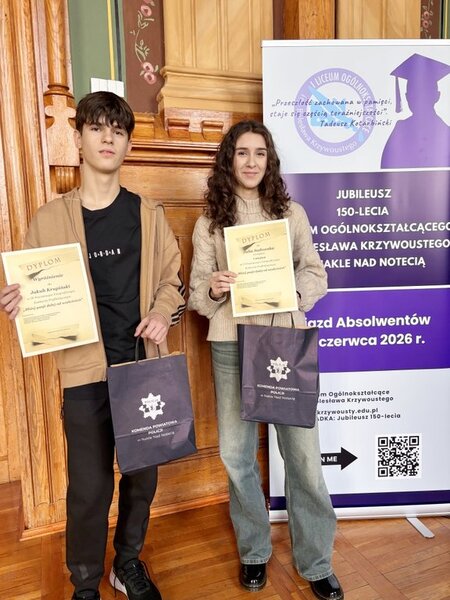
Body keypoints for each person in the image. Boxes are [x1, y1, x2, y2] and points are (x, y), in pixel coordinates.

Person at [0, 91, 185, 600]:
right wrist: (18, 303)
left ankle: (127, 564)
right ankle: (84, 584)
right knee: (89, 488)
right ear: (78, 137)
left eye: (118, 131)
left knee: (142, 478)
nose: (108, 138)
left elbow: (173, 280)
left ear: (128, 144)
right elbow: (33, 294)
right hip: (84, 374)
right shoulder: (49, 220)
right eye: (98, 128)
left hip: (142, 370)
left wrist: (160, 313)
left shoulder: (148, 214)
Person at [188, 120, 343, 600]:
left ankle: (316, 561)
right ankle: (254, 551)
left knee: (302, 457)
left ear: (269, 161)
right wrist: (214, 288)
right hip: (231, 344)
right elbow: (195, 292)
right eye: (242, 153)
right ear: (228, 160)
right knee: (236, 456)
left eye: (259, 153)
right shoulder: (209, 223)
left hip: (283, 342)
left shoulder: (291, 214)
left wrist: (290, 292)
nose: (251, 161)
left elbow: (316, 273)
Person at [381, 53, 450, 169]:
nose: (417, 100)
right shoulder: (400, 130)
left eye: (424, 94)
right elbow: (386, 169)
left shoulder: (446, 133)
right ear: (406, 97)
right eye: (413, 95)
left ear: (437, 96)